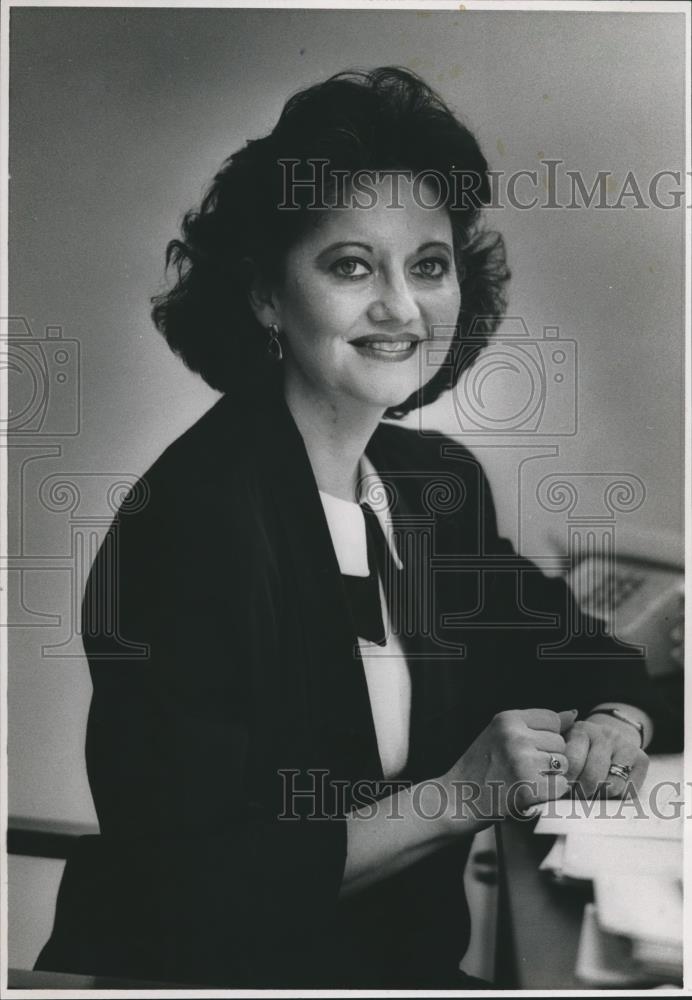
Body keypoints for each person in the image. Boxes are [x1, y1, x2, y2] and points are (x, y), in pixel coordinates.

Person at [36, 67, 661, 989]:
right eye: (351, 265)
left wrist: (616, 716)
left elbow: (581, 651)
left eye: (429, 265)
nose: (402, 309)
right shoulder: (191, 523)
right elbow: (187, 888)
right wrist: (459, 796)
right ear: (263, 296)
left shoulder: (430, 485)